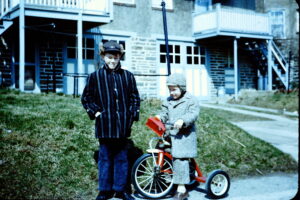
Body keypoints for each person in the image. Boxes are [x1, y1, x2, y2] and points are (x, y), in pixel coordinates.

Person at [81, 40, 140, 200]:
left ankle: (122, 190)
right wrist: (96, 112)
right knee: (105, 158)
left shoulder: (127, 76)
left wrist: (131, 115)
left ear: (120, 57)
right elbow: (86, 98)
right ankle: (105, 190)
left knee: (122, 158)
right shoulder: (95, 77)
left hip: (122, 126)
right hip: (105, 126)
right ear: (102, 56)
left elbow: (135, 98)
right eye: (109, 57)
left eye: (115, 57)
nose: (112, 61)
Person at [155, 73, 200, 200]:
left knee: (180, 158)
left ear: (182, 87)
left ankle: (181, 188)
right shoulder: (168, 101)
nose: (172, 93)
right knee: (161, 151)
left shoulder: (191, 100)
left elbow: (193, 114)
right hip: (170, 134)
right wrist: (159, 117)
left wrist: (182, 120)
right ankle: (167, 180)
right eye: (170, 90)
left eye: (174, 89)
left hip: (184, 136)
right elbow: (164, 112)